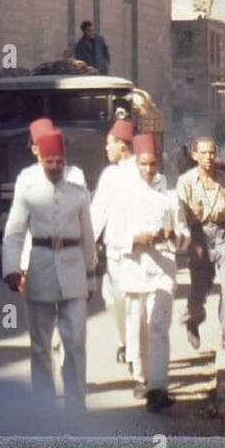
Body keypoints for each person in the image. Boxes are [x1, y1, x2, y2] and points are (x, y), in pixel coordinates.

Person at [2, 129, 96, 409]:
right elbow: (15, 230)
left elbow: (88, 238)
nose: (54, 167)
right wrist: (12, 267)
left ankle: (76, 403)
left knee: (75, 341)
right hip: (40, 269)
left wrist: (90, 278)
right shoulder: (28, 190)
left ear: (65, 161)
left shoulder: (78, 193)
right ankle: (43, 404)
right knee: (41, 345)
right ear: (40, 160)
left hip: (74, 271)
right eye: (49, 162)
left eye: (59, 162)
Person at [110, 134, 188, 411]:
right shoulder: (125, 195)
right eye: (143, 164)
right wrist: (136, 239)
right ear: (136, 163)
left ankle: (158, 388)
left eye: (153, 164)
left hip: (163, 269)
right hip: (134, 268)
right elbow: (113, 236)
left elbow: (184, 234)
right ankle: (141, 378)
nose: (148, 170)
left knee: (158, 327)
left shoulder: (170, 196)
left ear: (159, 164)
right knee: (138, 327)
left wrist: (173, 235)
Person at [177, 136, 225, 352]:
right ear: (194, 155)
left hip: (223, 235)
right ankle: (192, 320)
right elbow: (181, 216)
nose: (208, 157)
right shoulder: (185, 182)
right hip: (198, 237)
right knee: (199, 290)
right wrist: (190, 243)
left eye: (212, 152)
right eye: (203, 153)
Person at [91, 118, 135, 364]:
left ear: (123, 146)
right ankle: (124, 341)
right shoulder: (110, 175)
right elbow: (99, 213)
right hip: (116, 249)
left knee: (131, 302)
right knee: (114, 299)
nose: (106, 149)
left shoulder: (143, 172)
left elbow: (98, 213)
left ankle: (131, 349)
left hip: (137, 250)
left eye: (110, 144)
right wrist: (88, 242)